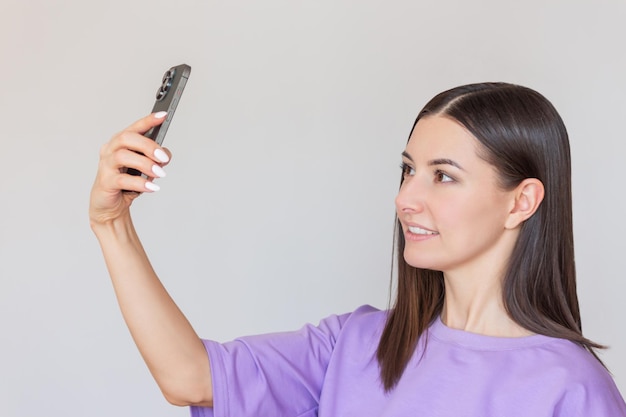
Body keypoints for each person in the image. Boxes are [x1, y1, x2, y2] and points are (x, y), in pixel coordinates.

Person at [90, 82, 626, 416]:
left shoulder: (570, 391)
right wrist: (112, 225)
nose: (406, 199)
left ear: (521, 202)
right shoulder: (356, 344)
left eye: (444, 176)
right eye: (408, 170)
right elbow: (190, 378)